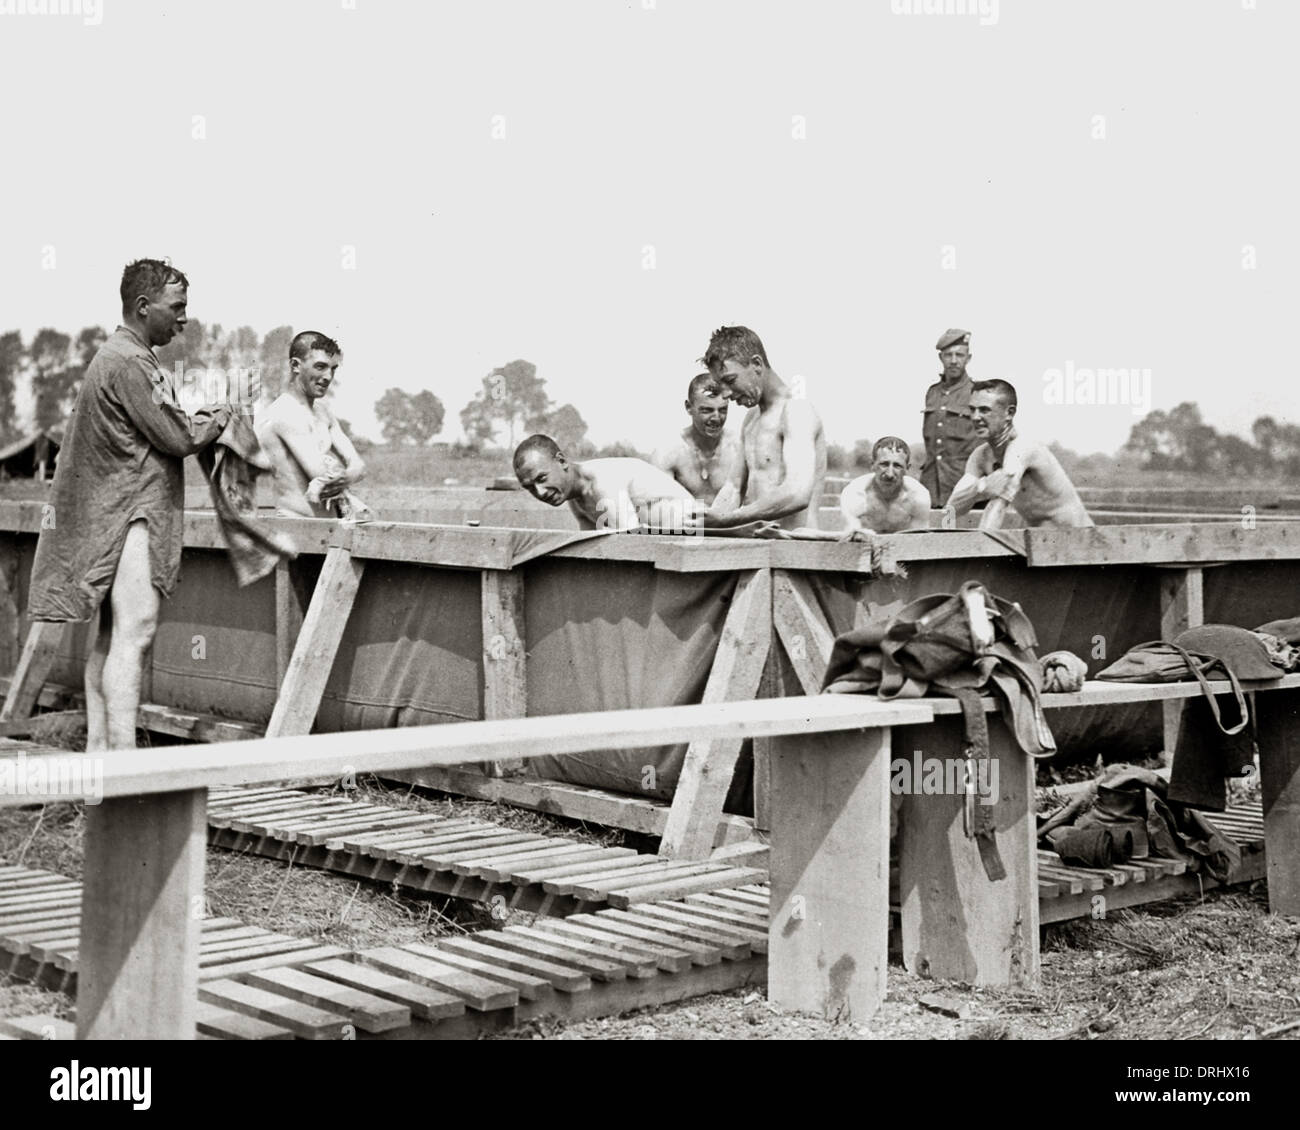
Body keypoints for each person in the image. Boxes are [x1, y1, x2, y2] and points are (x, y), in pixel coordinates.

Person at [27, 259, 235, 750]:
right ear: (144, 307)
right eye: (177, 307)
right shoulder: (131, 362)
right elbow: (178, 435)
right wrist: (224, 412)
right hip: (131, 515)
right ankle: (125, 771)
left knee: (111, 637)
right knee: (136, 632)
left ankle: (103, 761)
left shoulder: (119, 357)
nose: (184, 318)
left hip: (116, 516)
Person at [697, 325, 826, 530]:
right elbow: (733, 488)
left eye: (730, 380)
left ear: (756, 364)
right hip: (762, 549)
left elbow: (797, 493)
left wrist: (728, 520)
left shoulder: (796, 410)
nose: (727, 394)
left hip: (798, 553)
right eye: (720, 386)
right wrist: (704, 522)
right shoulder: (751, 420)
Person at [947, 379, 1093, 530]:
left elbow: (999, 503)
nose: (975, 417)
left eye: (984, 410)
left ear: (1009, 413)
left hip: (1081, 541)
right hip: (1043, 543)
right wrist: (980, 487)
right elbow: (951, 509)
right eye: (972, 409)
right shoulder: (980, 456)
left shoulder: (1022, 447)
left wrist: (981, 550)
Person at [256, 331, 369, 519]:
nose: (328, 376)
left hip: (326, 532)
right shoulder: (284, 413)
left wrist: (347, 475)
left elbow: (360, 467)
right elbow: (321, 475)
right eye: (320, 367)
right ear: (295, 366)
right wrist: (349, 474)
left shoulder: (324, 413)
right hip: (296, 530)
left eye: (333, 368)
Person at [513, 434, 698, 532]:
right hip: (669, 542)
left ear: (561, 461)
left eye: (542, 479)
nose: (540, 492)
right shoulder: (575, 498)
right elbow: (591, 547)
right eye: (529, 487)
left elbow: (632, 544)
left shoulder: (603, 482)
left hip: (698, 533)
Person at [652, 373, 744, 507]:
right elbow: (657, 508)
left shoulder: (738, 447)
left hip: (730, 526)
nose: (716, 418)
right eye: (707, 410)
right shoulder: (669, 451)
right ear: (689, 407)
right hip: (684, 526)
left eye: (723, 410)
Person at [920, 328, 981, 508]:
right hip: (931, 488)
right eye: (948, 355)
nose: (954, 361)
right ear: (941, 358)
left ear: (968, 358)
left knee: (956, 534)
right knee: (931, 534)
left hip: (962, 489)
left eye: (959, 355)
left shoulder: (977, 393)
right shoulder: (932, 393)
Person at [838, 437, 932, 536]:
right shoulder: (855, 494)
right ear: (872, 465)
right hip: (864, 548)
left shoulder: (918, 497)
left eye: (897, 466)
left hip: (903, 548)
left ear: (907, 469)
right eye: (884, 464)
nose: (889, 474)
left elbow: (918, 542)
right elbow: (852, 540)